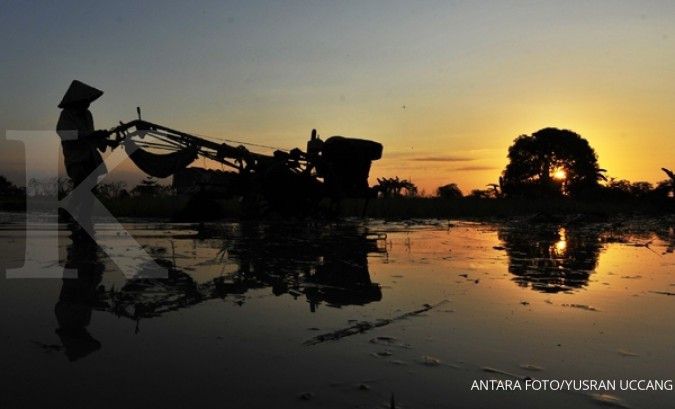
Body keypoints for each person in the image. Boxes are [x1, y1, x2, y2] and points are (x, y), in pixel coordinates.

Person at [56, 80, 111, 230]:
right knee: (82, 185)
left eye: (88, 102)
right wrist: (93, 135)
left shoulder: (87, 115)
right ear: (76, 101)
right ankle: (71, 215)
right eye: (85, 101)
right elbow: (66, 134)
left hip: (90, 156)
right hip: (76, 158)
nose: (87, 105)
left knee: (90, 189)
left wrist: (104, 140)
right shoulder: (66, 115)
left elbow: (91, 136)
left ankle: (82, 218)